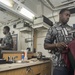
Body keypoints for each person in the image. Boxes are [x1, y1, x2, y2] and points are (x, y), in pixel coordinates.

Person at [44, 8, 74, 75]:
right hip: (59, 65)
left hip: (71, 63)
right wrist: (56, 45)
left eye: (69, 15)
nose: (68, 17)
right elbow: (45, 45)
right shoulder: (52, 29)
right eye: (66, 15)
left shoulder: (72, 29)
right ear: (60, 15)